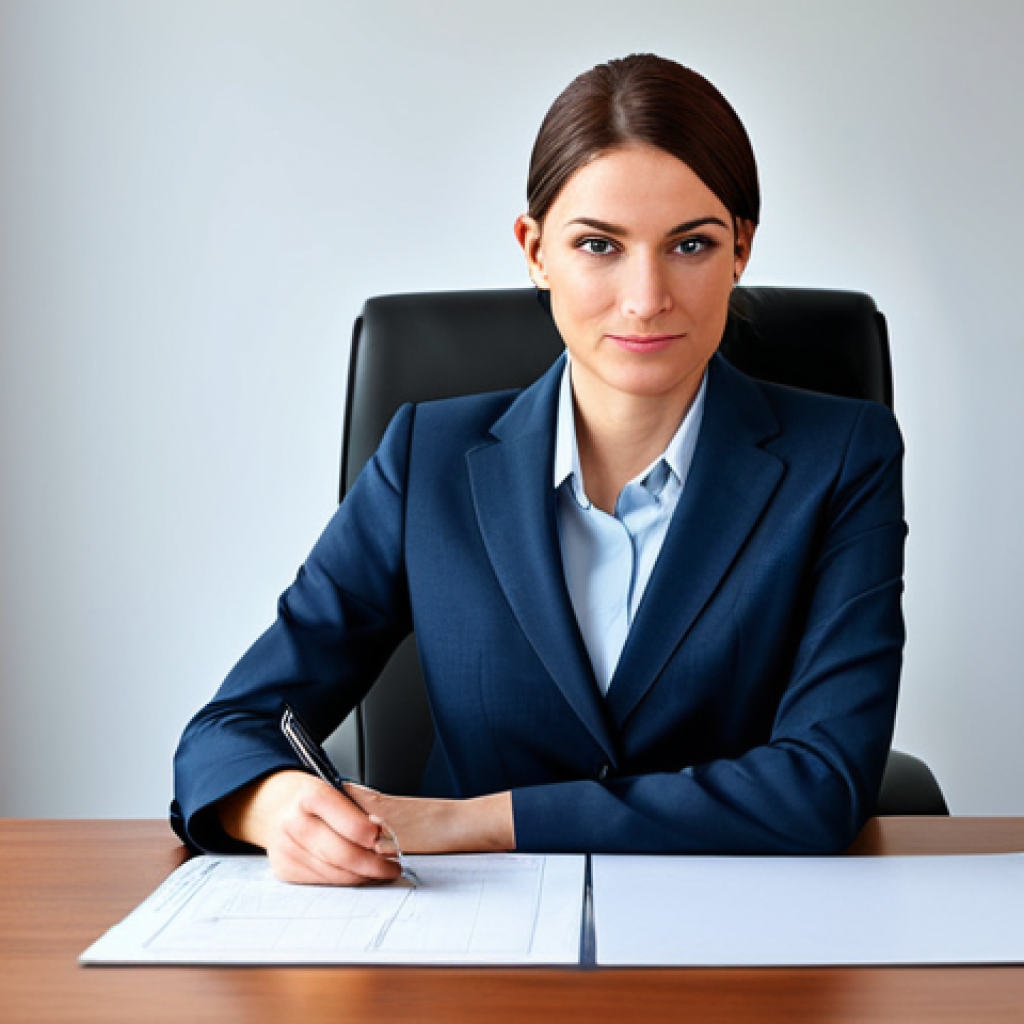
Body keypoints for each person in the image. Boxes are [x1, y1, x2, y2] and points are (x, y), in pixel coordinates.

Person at [171, 54, 906, 885]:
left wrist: (478, 822)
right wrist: (272, 806)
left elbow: (822, 784)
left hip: (739, 933)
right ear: (535, 251)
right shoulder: (429, 459)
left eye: (690, 245)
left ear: (740, 250)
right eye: (599, 244)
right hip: (466, 945)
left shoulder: (842, 456)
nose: (645, 297)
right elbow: (227, 731)